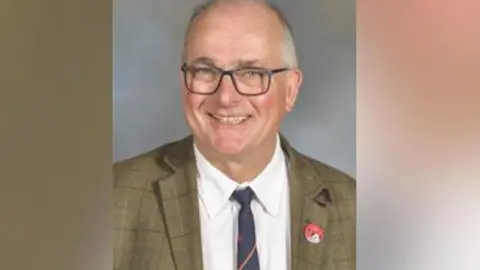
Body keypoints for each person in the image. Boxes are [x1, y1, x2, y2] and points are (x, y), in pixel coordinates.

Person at [113, 0, 356, 269]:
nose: (226, 97)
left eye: (251, 73)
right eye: (205, 71)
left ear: (290, 90)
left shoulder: (354, 209)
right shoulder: (115, 200)